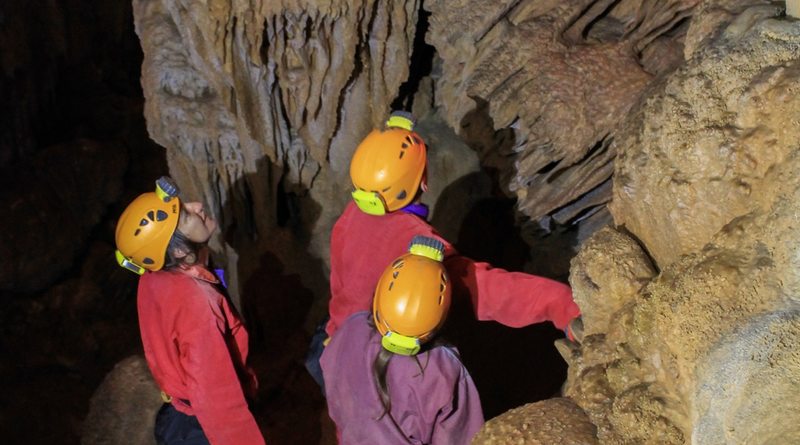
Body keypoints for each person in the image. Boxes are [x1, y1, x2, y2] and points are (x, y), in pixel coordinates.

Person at [326, 111, 582, 340]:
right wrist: (559, 303)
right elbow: (489, 291)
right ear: (423, 181)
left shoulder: (351, 216)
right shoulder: (421, 245)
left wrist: (332, 333)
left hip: (339, 347)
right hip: (385, 363)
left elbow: (340, 284)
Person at [114, 176, 265, 445]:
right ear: (181, 250)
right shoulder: (197, 304)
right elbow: (216, 395)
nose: (197, 206)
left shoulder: (154, 274)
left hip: (179, 412)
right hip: (204, 425)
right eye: (185, 215)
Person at [321, 236, 484, 444]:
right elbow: (462, 438)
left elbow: (332, 380)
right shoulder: (444, 370)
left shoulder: (353, 329)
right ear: (440, 315)